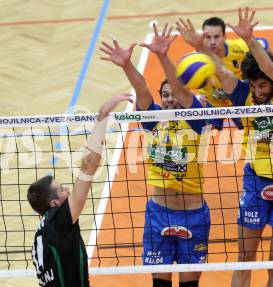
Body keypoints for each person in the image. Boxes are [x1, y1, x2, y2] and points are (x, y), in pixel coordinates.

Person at [100, 26, 210, 287]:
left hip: (192, 215)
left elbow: (183, 91)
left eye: (174, 94)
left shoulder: (197, 121)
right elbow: (143, 91)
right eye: (165, 95)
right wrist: (126, 66)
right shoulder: (152, 121)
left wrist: (163, 56)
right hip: (159, 213)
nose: (170, 99)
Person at [205, 8, 273, 287]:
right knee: (244, 262)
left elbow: (272, 69)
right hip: (256, 180)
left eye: (262, 85)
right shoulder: (243, 94)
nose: (258, 91)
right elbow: (222, 71)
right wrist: (198, 47)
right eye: (254, 85)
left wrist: (250, 40)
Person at [27, 93, 133, 287]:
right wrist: (103, 114)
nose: (68, 190)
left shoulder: (39, 234)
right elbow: (88, 165)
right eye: (61, 189)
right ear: (55, 204)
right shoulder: (59, 220)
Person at [176, 16, 268, 129]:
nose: (212, 42)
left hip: (238, 101)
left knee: (253, 129)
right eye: (208, 37)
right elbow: (182, 83)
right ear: (202, 38)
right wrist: (197, 97)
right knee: (202, 132)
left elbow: (263, 45)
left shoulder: (239, 48)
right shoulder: (195, 60)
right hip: (212, 103)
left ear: (224, 36)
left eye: (216, 37)